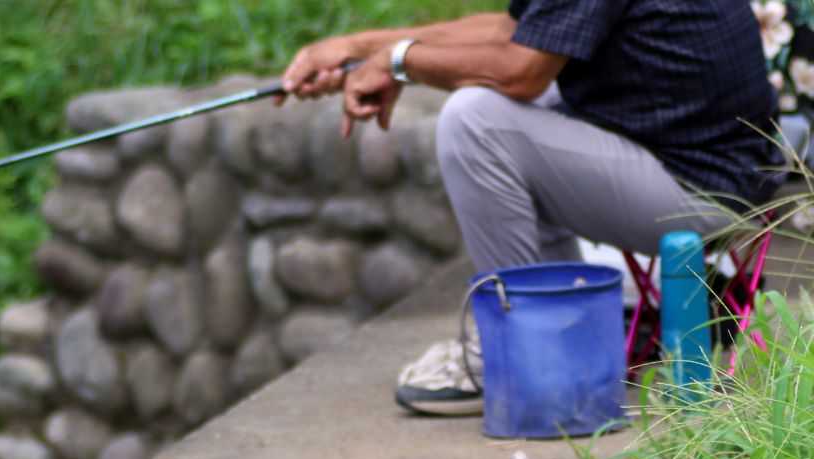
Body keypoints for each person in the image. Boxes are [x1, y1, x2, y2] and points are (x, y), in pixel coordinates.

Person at [277, 1, 783, 415]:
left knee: (477, 120)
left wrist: (397, 61)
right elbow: (512, 30)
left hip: (702, 195)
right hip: (702, 163)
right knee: (511, 104)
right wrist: (362, 49)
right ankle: (562, 338)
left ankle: (517, 350)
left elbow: (518, 72)